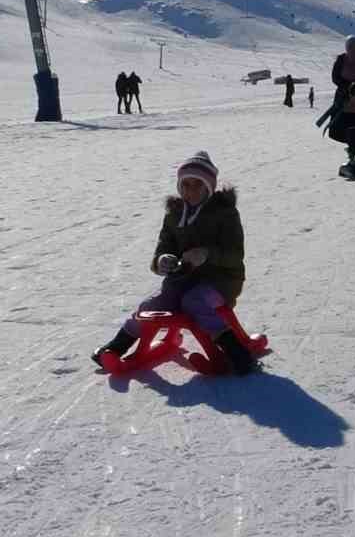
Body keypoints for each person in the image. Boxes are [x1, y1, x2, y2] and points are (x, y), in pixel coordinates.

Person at [92, 151, 256, 374]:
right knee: (151, 306)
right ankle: (115, 348)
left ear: (209, 187)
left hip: (221, 281)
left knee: (194, 301)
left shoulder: (224, 213)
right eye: (185, 185)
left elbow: (235, 255)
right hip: (183, 279)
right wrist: (162, 260)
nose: (190, 191)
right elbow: (164, 245)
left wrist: (207, 254)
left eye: (197, 185)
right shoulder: (174, 213)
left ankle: (237, 353)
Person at [331, 37, 355, 106]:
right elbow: (335, 78)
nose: (353, 49)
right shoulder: (340, 61)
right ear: (346, 48)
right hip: (344, 95)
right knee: (336, 113)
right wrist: (348, 86)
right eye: (350, 47)